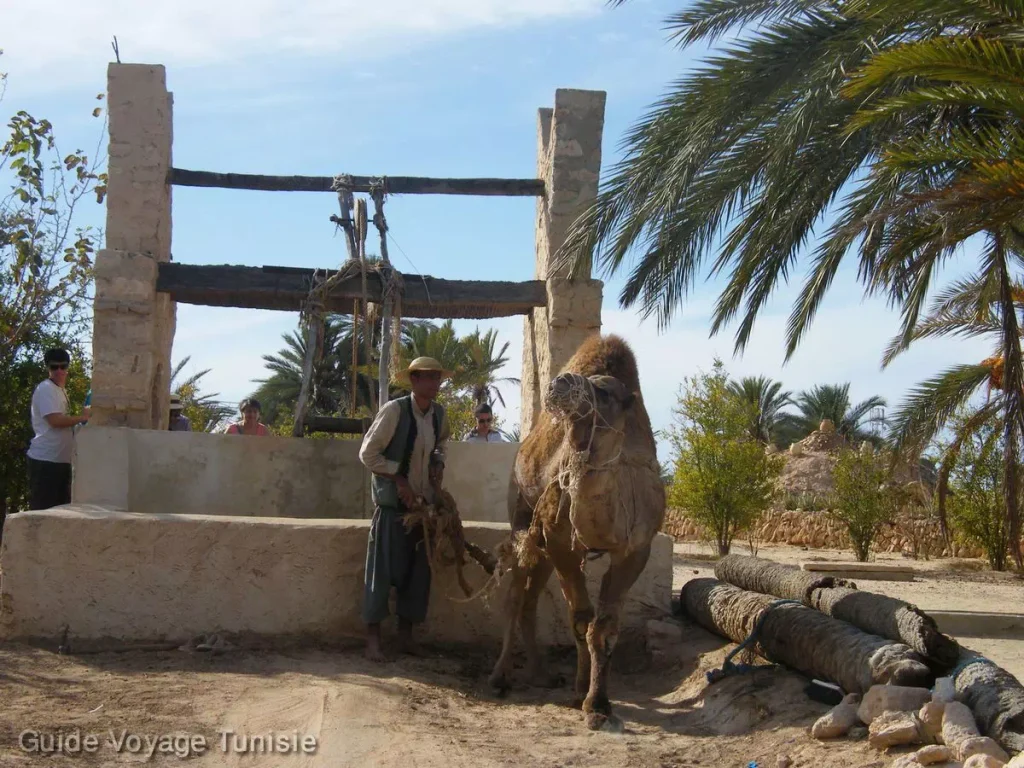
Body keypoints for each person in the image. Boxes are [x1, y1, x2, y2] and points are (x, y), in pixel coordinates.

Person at [358, 356, 451, 661]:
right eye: (429, 377)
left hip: (423, 508)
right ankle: (373, 640)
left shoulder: (438, 414)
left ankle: (406, 637)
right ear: (414, 380)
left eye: (438, 378)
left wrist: (437, 461)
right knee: (381, 572)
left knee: (418, 574)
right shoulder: (394, 411)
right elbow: (368, 454)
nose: (435, 383)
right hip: (391, 508)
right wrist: (398, 478)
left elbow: (442, 443)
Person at [26, 348, 89, 510]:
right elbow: (55, 420)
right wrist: (82, 418)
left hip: (59, 461)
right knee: (42, 512)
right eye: (55, 367)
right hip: (46, 461)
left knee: (58, 512)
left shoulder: (60, 390)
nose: (59, 371)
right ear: (48, 368)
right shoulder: (45, 389)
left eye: (63, 366)